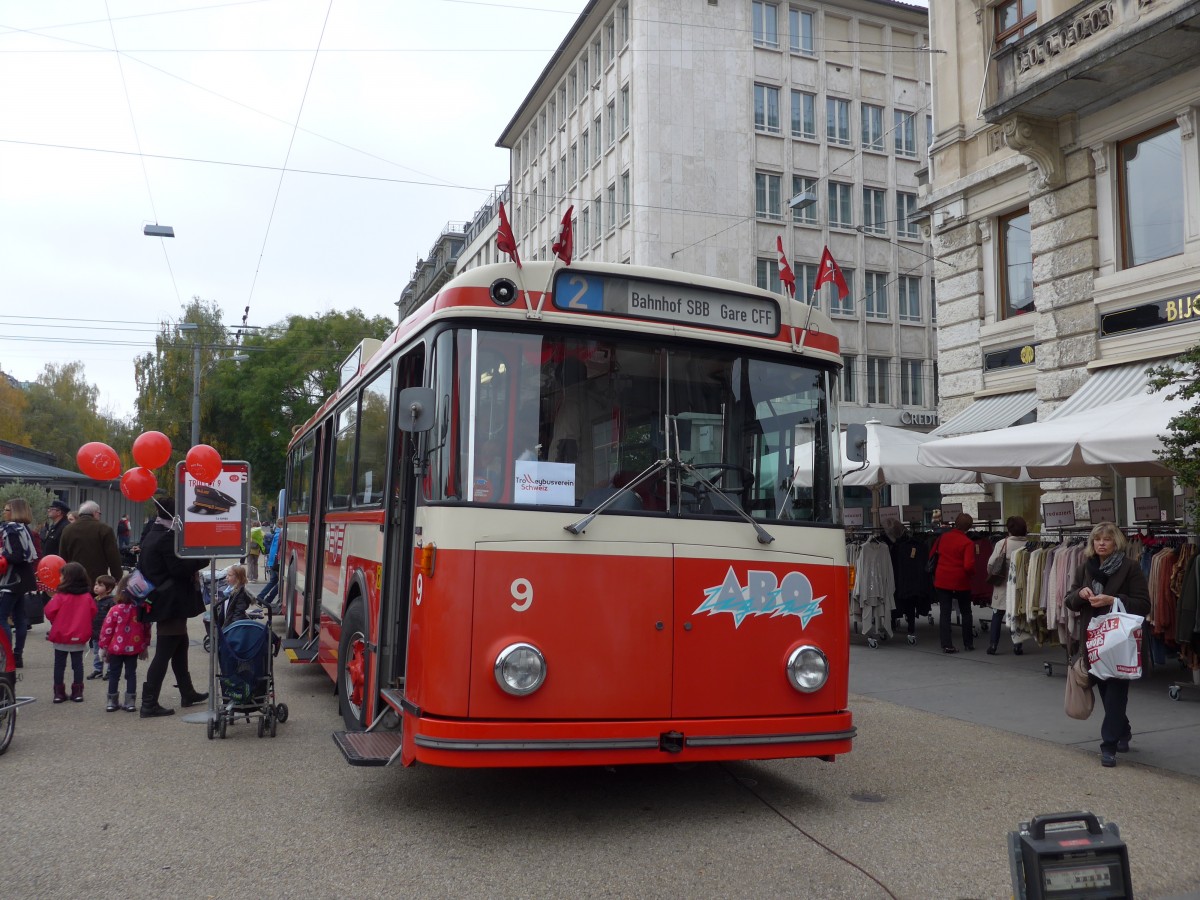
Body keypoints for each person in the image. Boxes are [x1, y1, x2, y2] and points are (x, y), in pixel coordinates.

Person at [1063, 522, 1151, 768]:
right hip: (1094, 641)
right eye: (1097, 539)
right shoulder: (1085, 567)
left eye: (1107, 539)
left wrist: (1113, 599)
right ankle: (1122, 730)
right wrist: (1080, 595)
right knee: (1105, 691)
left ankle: (1108, 746)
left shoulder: (1130, 568)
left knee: (1115, 692)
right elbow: (1069, 601)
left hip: (1119, 642)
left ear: (1116, 543)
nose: (1101, 543)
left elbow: (1144, 604)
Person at [138, 497, 209, 718]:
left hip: (163, 599)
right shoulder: (167, 538)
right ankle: (149, 703)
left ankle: (187, 693)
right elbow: (179, 569)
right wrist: (203, 558)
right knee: (165, 651)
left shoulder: (154, 532)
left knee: (180, 644)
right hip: (170, 601)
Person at [45, 561, 98, 703]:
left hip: (61, 635)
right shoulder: (87, 597)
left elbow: (49, 611)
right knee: (77, 664)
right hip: (79, 635)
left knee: (59, 665)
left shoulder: (60, 596)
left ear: (67, 578)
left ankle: (59, 693)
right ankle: (77, 692)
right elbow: (93, 612)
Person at [97, 573, 151, 712]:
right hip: (133, 648)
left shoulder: (115, 610)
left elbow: (107, 630)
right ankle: (130, 702)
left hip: (115, 648)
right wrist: (145, 645)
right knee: (131, 674)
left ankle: (111, 701)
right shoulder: (140, 610)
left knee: (114, 674)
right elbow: (146, 628)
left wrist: (103, 646)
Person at [1, 498, 39, 668]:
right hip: (23, 577)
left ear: (15, 511)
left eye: (7, 509)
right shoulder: (25, 529)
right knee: (19, 617)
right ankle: (17, 655)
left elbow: (16, 556)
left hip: (12, 579)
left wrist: (2, 554)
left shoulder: (11, 529)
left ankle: (7, 655)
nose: (4, 512)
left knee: (2, 617)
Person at [932, 512, 977, 653]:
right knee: (966, 612)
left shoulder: (943, 537)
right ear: (969, 527)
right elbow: (968, 566)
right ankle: (968, 643)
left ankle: (946, 644)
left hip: (942, 579)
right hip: (960, 581)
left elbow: (932, 554)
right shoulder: (968, 543)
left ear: (955, 523)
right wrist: (972, 575)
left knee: (945, 612)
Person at [984, 516, 1028, 655]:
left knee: (997, 614)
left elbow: (991, 564)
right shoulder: (1029, 545)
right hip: (1021, 586)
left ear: (1009, 529)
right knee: (1017, 616)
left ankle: (993, 645)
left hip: (1002, 585)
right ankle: (1017, 645)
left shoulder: (1002, 544)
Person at [60, 500, 123, 585]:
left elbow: (62, 555)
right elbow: (113, 556)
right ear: (95, 513)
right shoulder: (105, 529)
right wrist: (117, 577)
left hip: (73, 578)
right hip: (97, 580)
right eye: (99, 514)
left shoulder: (67, 529)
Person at [87, 574, 117, 680]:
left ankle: (110, 670)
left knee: (109, 652)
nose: (96, 587)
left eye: (100, 585)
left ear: (108, 589)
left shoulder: (112, 601)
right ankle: (98, 670)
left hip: (108, 633)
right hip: (95, 632)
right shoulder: (94, 600)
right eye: (96, 584)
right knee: (96, 652)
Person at [258, 519, 283, 612]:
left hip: (272, 561)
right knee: (281, 583)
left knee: (273, 581)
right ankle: (267, 600)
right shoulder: (280, 534)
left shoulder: (276, 533)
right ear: (281, 524)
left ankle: (260, 598)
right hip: (276, 562)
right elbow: (276, 549)